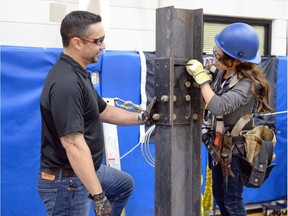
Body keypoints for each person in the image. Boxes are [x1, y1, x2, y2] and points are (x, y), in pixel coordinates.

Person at [37, 10, 157, 216]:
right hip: (67, 182)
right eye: (98, 40)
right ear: (77, 43)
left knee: (123, 185)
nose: (103, 46)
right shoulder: (67, 83)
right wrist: (98, 195)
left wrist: (143, 118)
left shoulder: (78, 73)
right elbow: (73, 144)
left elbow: (104, 111)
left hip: (84, 171)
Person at [186, 22, 274, 216]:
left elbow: (219, 105)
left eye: (218, 56)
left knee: (232, 202)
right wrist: (207, 71)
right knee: (219, 197)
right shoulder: (223, 72)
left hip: (233, 152)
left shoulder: (249, 85)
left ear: (235, 60)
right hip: (219, 148)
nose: (214, 57)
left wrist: (202, 80)